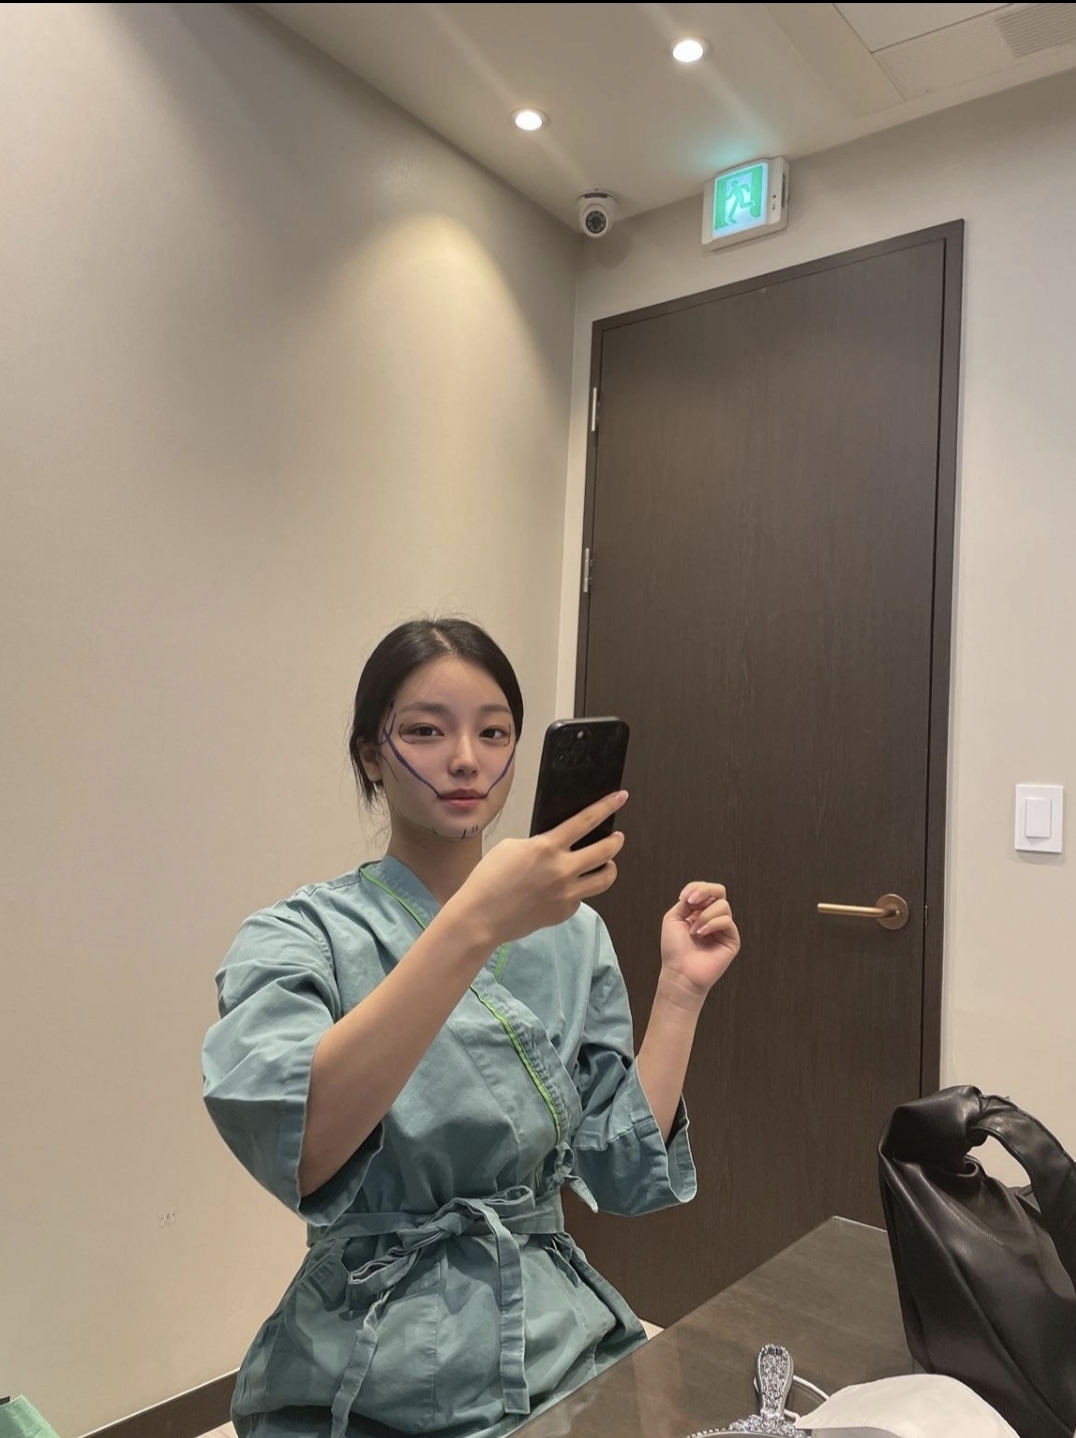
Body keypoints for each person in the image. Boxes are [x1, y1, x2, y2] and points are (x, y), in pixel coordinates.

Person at [202, 617, 740, 1438]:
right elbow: (303, 1150)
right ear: (371, 754)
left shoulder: (572, 934)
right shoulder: (297, 936)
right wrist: (475, 923)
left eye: (493, 733)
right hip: (365, 1356)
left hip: (556, 1342)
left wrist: (679, 995)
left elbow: (622, 1175)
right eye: (426, 730)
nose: (466, 759)